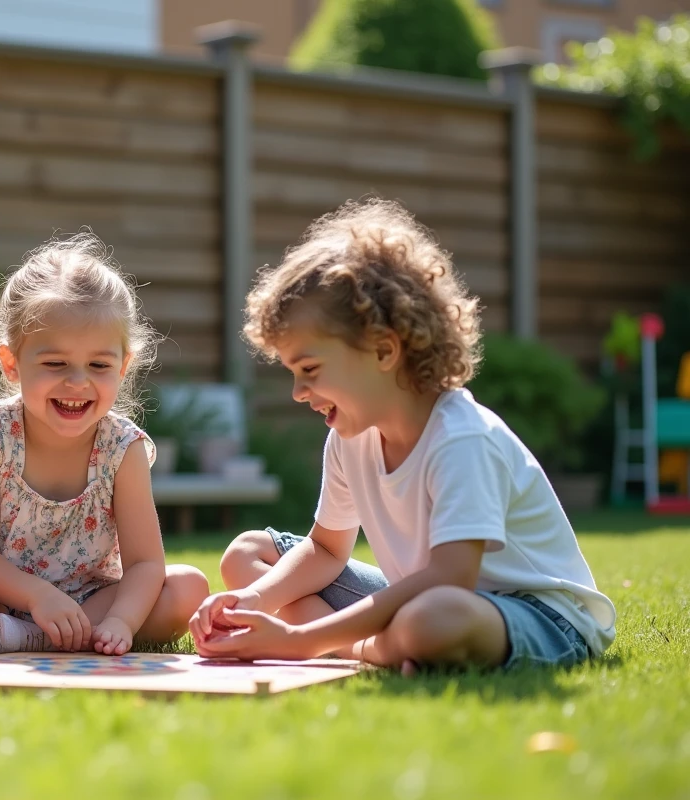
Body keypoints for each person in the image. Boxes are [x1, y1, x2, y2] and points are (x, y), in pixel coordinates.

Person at [190, 198, 616, 673]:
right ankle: (376, 650)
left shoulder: (460, 438)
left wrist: (297, 640)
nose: (297, 392)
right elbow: (328, 549)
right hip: (423, 596)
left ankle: (344, 646)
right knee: (249, 553)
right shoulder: (350, 437)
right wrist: (251, 600)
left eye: (309, 368)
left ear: (384, 350)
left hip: (535, 615)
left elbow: (451, 578)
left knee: (432, 620)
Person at [0, 232, 209, 656]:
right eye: (55, 363)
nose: (78, 382)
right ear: (12, 363)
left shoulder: (124, 448)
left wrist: (122, 620)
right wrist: (37, 597)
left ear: (123, 368)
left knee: (188, 586)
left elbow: (145, 564)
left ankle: (27, 640)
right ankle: (20, 631)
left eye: (99, 365)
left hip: (87, 603)